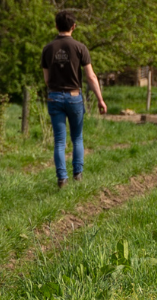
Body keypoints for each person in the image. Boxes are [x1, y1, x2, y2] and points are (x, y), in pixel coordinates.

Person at [41, 11, 108, 187]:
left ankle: (62, 178)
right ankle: (78, 175)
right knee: (77, 138)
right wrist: (100, 100)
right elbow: (91, 77)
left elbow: (47, 80)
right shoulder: (80, 48)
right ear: (73, 27)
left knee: (59, 141)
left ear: (56, 26)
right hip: (74, 96)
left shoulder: (47, 49)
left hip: (54, 97)